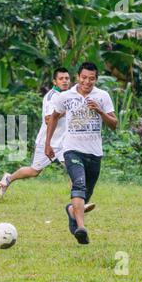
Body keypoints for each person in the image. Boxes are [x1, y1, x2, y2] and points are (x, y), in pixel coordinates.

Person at [0, 68, 95, 213]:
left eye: (67, 78)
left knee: (72, 170)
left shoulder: (71, 94)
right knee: (34, 171)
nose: (65, 81)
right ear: (55, 81)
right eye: (61, 79)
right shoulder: (52, 97)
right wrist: (66, 111)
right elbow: (49, 119)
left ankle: (80, 203)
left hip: (66, 143)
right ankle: (8, 179)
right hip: (47, 142)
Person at [45, 62, 117, 244]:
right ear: (78, 77)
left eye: (91, 79)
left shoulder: (102, 96)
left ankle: (72, 211)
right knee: (79, 184)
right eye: (84, 78)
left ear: (96, 79)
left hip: (94, 153)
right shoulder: (65, 97)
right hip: (72, 149)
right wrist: (48, 143)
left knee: (86, 195)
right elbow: (53, 118)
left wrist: (99, 111)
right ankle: (81, 228)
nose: (87, 82)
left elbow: (114, 124)